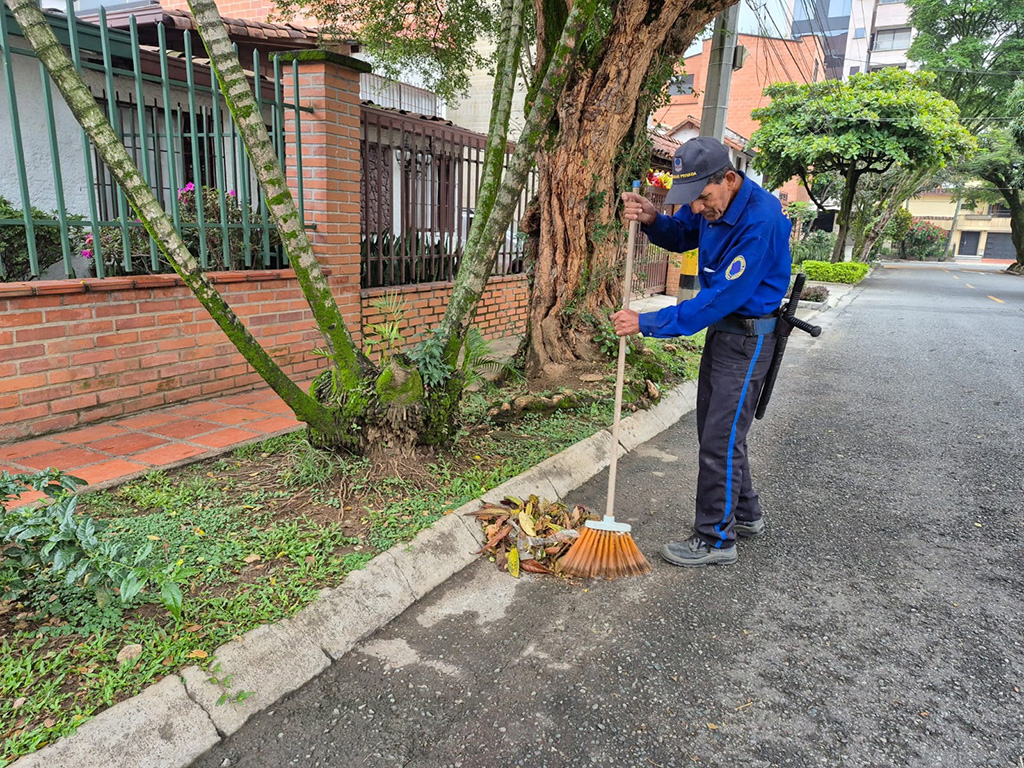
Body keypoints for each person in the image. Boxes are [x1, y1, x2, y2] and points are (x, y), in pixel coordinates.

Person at [612, 136, 792, 567]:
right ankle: (745, 514)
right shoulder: (713, 203)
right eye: (690, 200)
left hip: (748, 339)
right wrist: (655, 217)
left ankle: (715, 539)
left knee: (720, 439)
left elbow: (719, 299)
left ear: (729, 179)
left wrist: (648, 322)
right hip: (725, 335)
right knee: (720, 434)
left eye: (702, 198)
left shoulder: (760, 221)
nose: (696, 208)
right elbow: (681, 236)